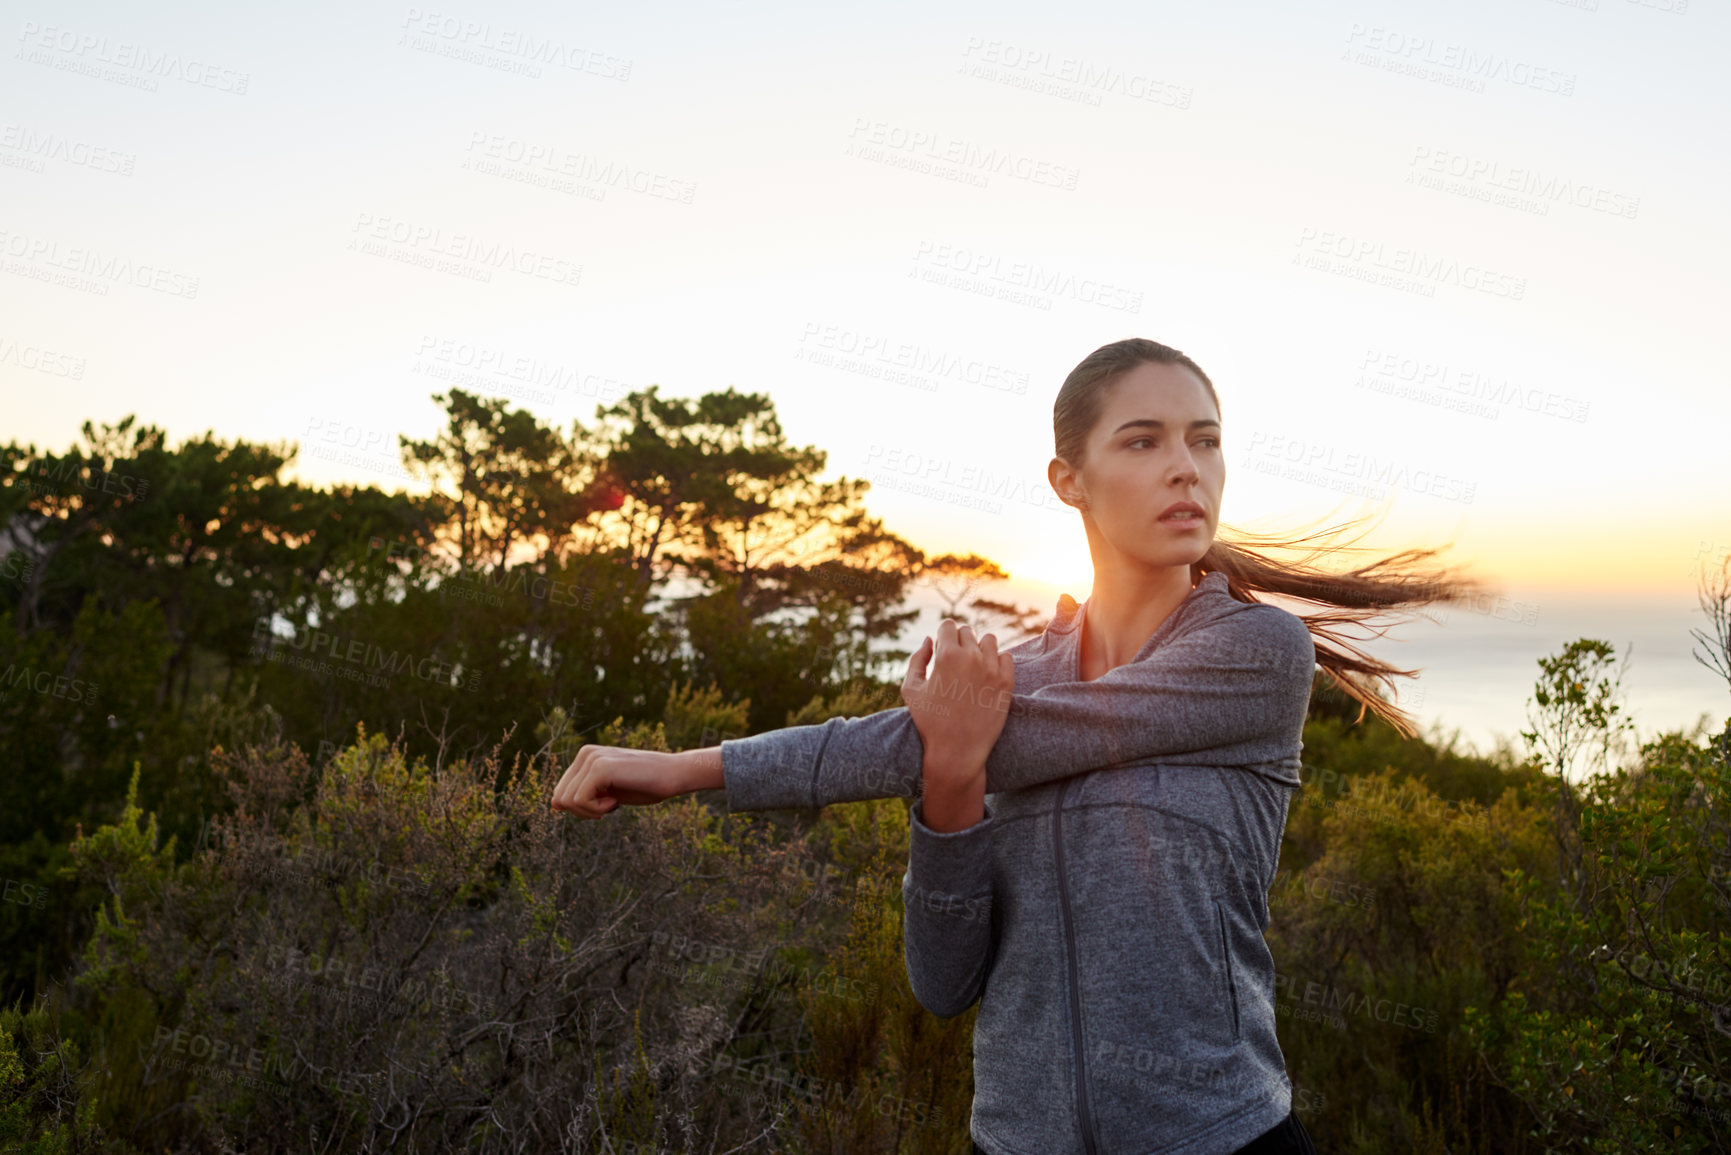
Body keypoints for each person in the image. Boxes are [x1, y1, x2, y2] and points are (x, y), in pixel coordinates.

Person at [552, 337, 1487, 1153]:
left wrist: (690, 768)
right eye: (1144, 439)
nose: (1186, 467)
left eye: (1205, 438)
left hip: (1219, 1137)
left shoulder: (1252, 653)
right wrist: (950, 781)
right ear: (1066, 479)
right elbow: (944, 983)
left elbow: (986, 738)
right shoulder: (1004, 685)